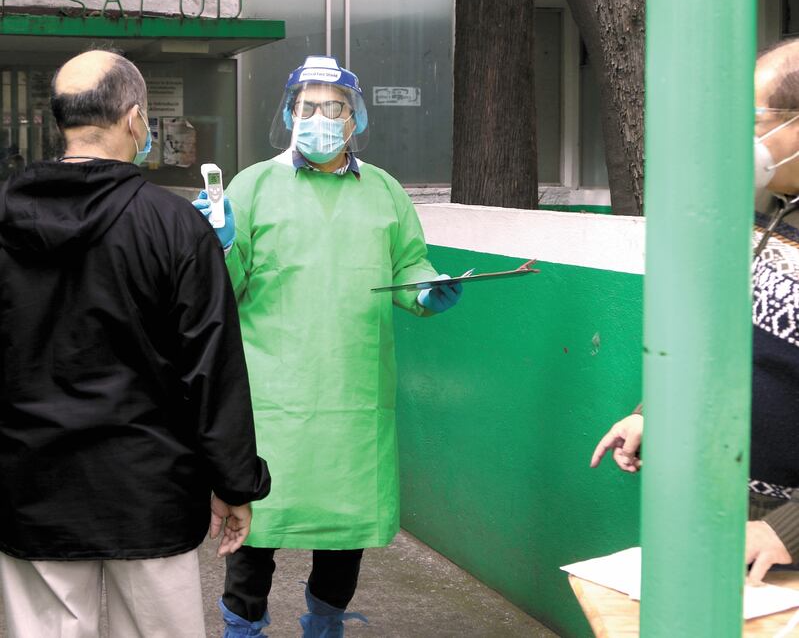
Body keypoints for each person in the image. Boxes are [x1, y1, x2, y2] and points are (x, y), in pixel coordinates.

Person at [0, 50, 271, 637]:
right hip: (149, 488)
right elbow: (212, 368)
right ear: (133, 118)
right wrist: (235, 483)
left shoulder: (5, 217)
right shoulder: (174, 226)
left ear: (62, 122)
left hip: (29, 484)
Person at [193, 55, 463, 637]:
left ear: (355, 119)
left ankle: (325, 627)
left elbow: (408, 264)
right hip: (270, 399)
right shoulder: (253, 185)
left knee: (346, 535)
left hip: (354, 394)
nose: (321, 118)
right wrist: (217, 246)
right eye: (309, 106)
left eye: (335, 109)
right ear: (290, 113)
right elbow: (227, 287)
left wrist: (427, 289)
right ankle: (243, 630)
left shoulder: (385, 191)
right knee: (254, 533)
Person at [591, 38, 799, 587]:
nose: (745, 133)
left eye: (759, 117)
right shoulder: (762, 216)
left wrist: (787, 530)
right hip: (730, 511)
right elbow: (718, 345)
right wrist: (650, 412)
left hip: (780, 542)